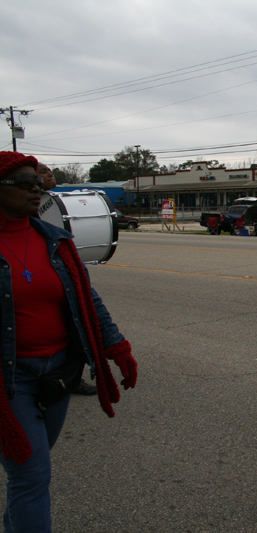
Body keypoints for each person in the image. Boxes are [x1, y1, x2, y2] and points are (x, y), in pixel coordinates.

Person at [0, 151, 138, 533]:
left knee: (30, 474)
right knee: (31, 474)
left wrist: (117, 347)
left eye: (37, 181)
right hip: (10, 381)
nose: (36, 188)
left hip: (59, 373)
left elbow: (86, 298)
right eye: (24, 182)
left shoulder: (55, 240)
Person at [35, 161, 98, 396]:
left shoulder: (52, 202)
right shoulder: (26, 206)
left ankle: (71, 377)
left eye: (50, 171)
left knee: (76, 322)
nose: (50, 175)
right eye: (43, 172)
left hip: (58, 269)